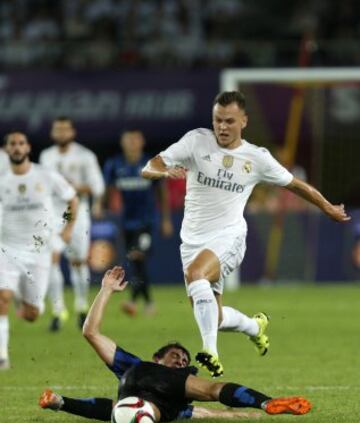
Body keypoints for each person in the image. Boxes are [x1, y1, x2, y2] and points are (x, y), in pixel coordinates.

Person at [141, 90, 351, 378]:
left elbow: (296, 185)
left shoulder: (256, 158)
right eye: (217, 120)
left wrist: (327, 207)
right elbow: (150, 166)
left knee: (196, 275)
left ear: (244, 121)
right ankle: (255, 327)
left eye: (229, 121)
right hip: (191, 241)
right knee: (212, 316)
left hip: (230, 236)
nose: (222, 127)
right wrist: (164, 173)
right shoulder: (195, 141)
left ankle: (210, 353)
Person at [39, 266, 312, 423]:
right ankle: (266, 403)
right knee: (124, 409)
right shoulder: (133, 365)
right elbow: (90, 332)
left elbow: (210, 410)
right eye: (176, 355)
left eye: (184, 360)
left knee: (209, 390)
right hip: (141, 405)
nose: (182, 361)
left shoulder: (171, 383)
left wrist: (255, 410)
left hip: (154, 405)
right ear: (157, 359)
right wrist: (106, 289)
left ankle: (266, 403)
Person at [0, 131, 78, 370]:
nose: (16, 147)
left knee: (32, 314)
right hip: (7, 248)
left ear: (28, 148)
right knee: (2, 298)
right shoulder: (2, 179)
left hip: (39, 251)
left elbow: (72, 199)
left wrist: (67, 228)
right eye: (12, 144)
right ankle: (2, 356)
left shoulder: (45, 175)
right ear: (7, 149)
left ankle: (24, 301)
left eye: (20, 143)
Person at [40, 116, 105, 331]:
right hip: (52, 213)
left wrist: (72, 187)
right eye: (57, 129)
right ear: (52, 133)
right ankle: (58, 311)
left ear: (72, 132)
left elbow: (97, 187)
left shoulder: (85, 156)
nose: (61, 133)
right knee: (52, 260)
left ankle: (81, 305)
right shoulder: (46, 156)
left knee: (78, 262)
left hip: (76, 212)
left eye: (65, 129)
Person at [103, 129, 173, 316]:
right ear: (122, 143)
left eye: (136, 140)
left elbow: (162, 192)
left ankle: (135, 301)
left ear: (142, 142)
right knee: (137, 264)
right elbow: (108, 190)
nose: (133, 144)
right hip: (126, 223)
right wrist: (102, 208)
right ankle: (147, 303)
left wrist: (165, 219)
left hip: (147, 221)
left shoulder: (150, 164)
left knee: (138, 256)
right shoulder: (114, 165)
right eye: (129, 140)